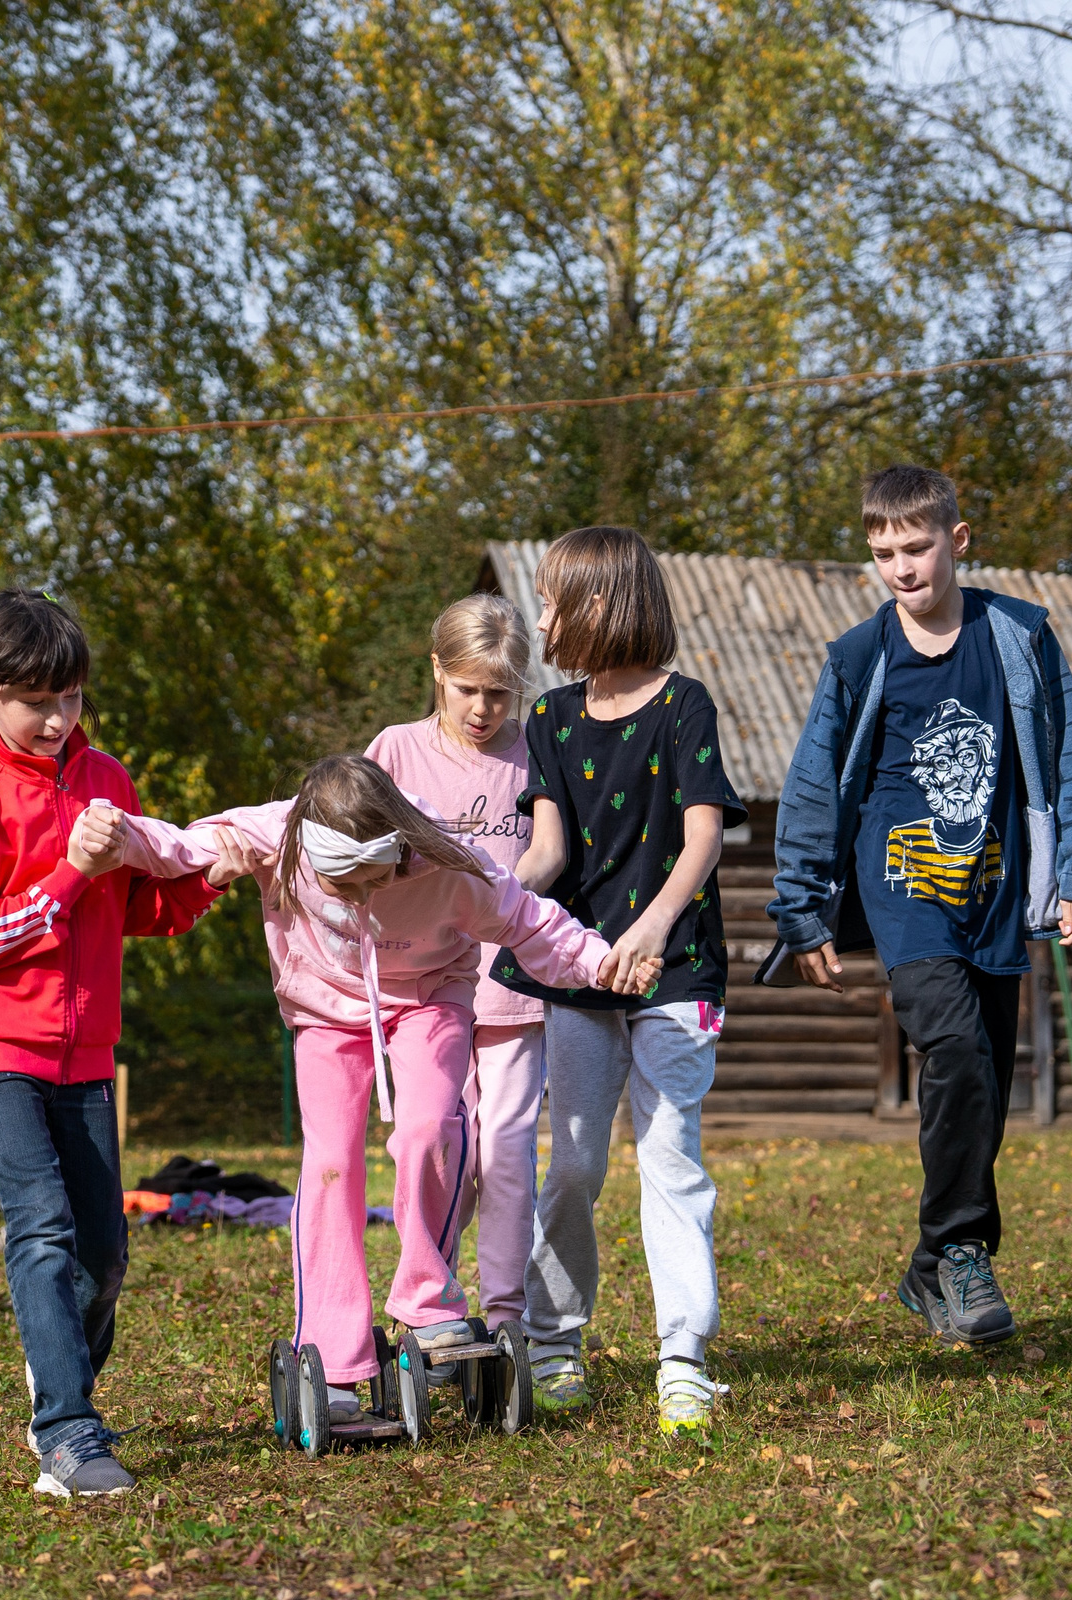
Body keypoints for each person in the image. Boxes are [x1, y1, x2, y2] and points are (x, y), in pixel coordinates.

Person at [121, 756, 638, 1428]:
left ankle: (430, 1302)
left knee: (429, 1130)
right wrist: (113, 835)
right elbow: (175, 844)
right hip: (322, 1012)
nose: (362, 895)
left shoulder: (449, 861)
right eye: (344, 883)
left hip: (428, 1001)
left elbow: (531, 922)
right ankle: (336, 1348)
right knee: (331, 1161)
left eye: (376, 878)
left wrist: (601, 962)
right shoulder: (277, 834)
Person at [770, 465, 1072, 1346]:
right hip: (903, 888)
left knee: (985, 1082)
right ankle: (963, 1250)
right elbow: (812, 783)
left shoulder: (1019, 637)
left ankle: (927, 1267)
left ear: (957, 541)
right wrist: (802, 904)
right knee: (953, 1045)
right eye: (883, 552)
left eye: (916, 547)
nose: (901, 568)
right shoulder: (858, 658)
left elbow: (1071, 754)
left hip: (993, 891)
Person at [0, 589, 225, 1498]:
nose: (57, 719)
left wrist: (207, 877)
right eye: (36, 700)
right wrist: (72, 869)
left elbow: (137, 907)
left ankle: (60, 1378)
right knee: (42, 1225)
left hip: (84, 1046)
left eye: (72, 698)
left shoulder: (109, 778)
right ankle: (66, 1430)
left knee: (105, 1251)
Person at [504, 524, 745, 1443]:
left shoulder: (687, 707)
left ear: (601, 603)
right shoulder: (550, 722)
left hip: (677, 968)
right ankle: (554, 1340)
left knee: (671, 1155)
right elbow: (550, 851)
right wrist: (477, 894)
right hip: (577, 973)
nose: (542, 617)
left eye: (553, 599)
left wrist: (651, 927)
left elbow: (703, 839)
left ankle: (682, 1357)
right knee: (575, 1161)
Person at [364, 593, 548, 1334]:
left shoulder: (538, 755)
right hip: (423, 987)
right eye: (468, 688)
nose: (482, 709)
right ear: (437, 671)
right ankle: (427, 1301)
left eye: (499, 693)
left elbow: (550, 854)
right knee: (432, 1141)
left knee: (504, 1154)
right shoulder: (396, 751)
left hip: (512, 990)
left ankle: (506, 1320)